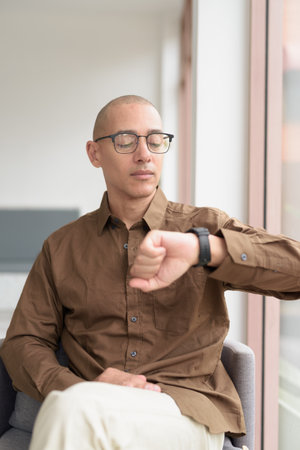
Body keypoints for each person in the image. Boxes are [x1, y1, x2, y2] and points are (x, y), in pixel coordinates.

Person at [1, 95, 300, 450]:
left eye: (156, 140)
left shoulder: (204, 226)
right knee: (74, 411)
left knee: (72, 414)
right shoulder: (61, 247)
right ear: (94, 154)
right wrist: (77, 388)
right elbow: (23, 342)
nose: (144, 154)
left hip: (185, 413)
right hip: (91, 404)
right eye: (125, 140)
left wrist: (204, 249)